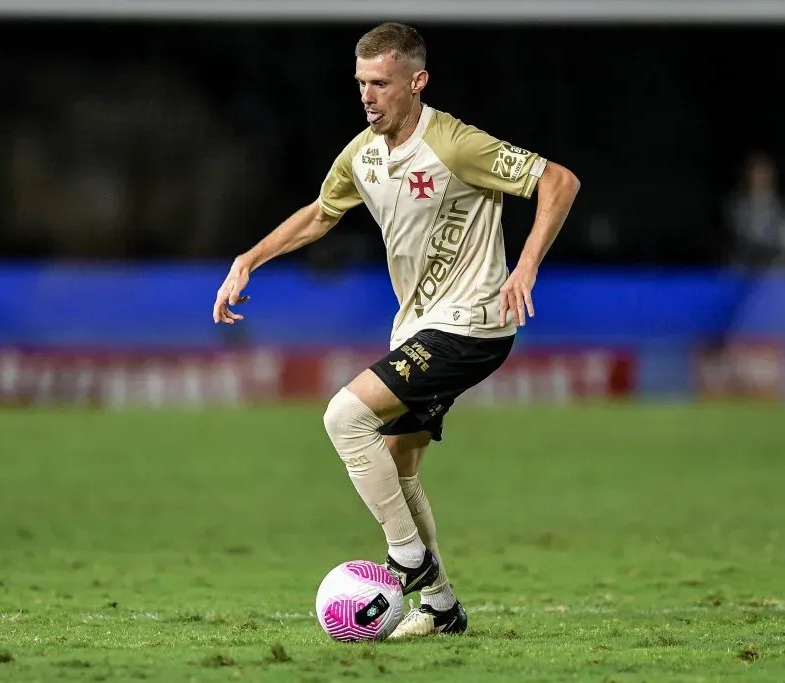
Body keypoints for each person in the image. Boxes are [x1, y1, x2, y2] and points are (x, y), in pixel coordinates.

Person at [211, 22, 580, 639]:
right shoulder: (362, 155)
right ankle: (438, 606)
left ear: (417, 81)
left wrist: (526, 265)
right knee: (397, 469)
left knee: (343, 417)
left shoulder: (456, 144)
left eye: (380, 83)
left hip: (472, 327)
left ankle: (408, 559)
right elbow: (320, 214)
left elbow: (558, 181)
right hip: (417, 328)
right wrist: (249, 259)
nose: (367, 96)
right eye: (361, 83)